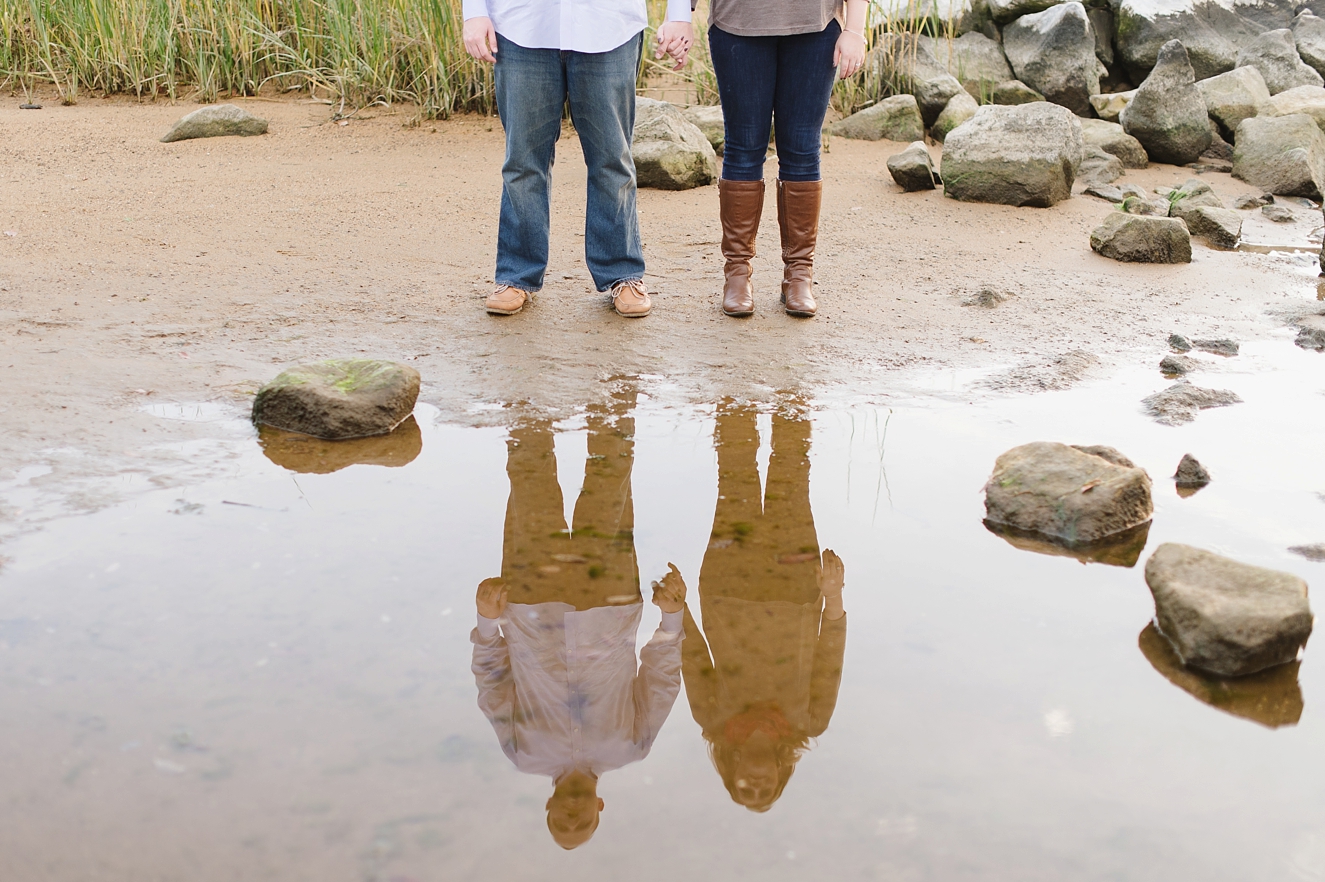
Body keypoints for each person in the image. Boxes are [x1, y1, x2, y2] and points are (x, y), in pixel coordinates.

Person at [470, 391, 687, 848]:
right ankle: (616, 386)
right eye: (581, 824)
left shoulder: (523, 755)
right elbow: (662, 681)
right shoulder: (631, 749)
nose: (572, 818)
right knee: (609, 486)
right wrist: (671, 618)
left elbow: (493, 686)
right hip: (607, 605)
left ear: (547, 810)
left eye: (561, 824)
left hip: (531, 606)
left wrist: (487, 623)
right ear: (599, 811)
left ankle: (525, 383)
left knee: (531, 486)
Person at [462, 0, 695, 317]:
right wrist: (474, 12)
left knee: (613, 160)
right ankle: (516, 276)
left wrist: (679, 14)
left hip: (610, 24)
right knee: (523, 162)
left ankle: (622, 273)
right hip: (522, 24)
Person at [680, 402, 847, 811]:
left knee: (734, 479)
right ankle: (792, 384)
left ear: (731, 776)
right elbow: (831, 656)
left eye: (744, 789)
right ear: (779, 778)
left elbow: (691, 656)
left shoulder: (712, 720)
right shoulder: (809, 722)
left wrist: (677, 607)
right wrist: (833, 593)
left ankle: (735, 389)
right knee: (792, 479)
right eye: (764, 790)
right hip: (795, 590)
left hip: (726, 585)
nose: (755, 784)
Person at [706, 0, 868, 318]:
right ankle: (737, 276)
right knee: (742, 148)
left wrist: (855, 29)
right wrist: (680, 16)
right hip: (737, 21)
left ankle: (798, 277)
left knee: (802, 151)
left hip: (816, 23)